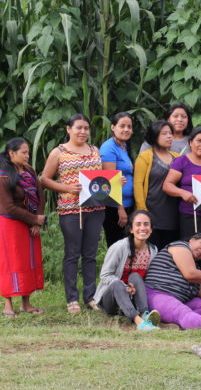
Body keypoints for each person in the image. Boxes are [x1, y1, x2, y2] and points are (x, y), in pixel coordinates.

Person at [40, 114, 107, 313]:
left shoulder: (94, 150)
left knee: (90, 254)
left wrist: (113, 183)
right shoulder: (59, 152)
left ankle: (90, 296)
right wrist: (66, 188)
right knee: (72, 254)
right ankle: (71, 298)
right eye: (78, 127)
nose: (83, 132)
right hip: (70, 209)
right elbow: (45, 179)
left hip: (95, 209)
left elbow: (100, 179)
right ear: (68, 129)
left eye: (86, 128)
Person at [143, 232, 201, 330]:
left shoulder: (195, 264)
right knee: (182, 312)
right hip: (157, 294)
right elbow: (190, 274)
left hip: (180, 300)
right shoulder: (180, 246)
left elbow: (199, 282)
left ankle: (169, 323)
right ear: (192, 240)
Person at [0, 138, 46, 318]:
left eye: (28, 152)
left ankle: (26, 304)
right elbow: (8, 207)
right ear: (12, 153)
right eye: (24, 152)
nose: (27, 156)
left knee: (29, 261)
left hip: (31, 222)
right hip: (10, 224)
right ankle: (8, 305)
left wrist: (36, 221)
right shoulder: (3, 175)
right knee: (10, 263)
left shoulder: (29, 171)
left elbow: (40, 196)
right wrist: (34, 219)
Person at [94, 211, 160, 331]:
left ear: (151, 229)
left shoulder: (153, 250)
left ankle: (144, 314)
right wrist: (125, 287)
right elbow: (105, 275)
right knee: (117, 283)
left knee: (135, 276)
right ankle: (139, 321)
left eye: (146, 224)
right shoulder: (119, 247)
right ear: (131, 229)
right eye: (138, 224)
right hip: (112, 300)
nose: (142, 228)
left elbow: (150, 278)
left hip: (133, 298)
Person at [163, 127, 201, 239]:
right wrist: (182, 193)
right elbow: (167, 185)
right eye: (199, 140)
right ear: (190, 143)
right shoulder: (181, 161)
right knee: (194, 248)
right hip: (191, 215)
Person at [134, 120, 180, 249]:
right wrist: (142, 211)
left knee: (170, 251)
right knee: (152, 251)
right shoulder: (145, 156)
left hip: (173, 213)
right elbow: (138, 184)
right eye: (164, 133)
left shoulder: (177, 158)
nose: (169, 136)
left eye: (170, 133)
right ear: (154, 136)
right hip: (151, 212)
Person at [100, 112, 135, 246]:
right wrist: (120, 209)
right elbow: (110, 181)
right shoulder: (109, 147)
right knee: (117, 246)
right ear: (113, 127)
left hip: (128, 204)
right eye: (122, 126)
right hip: (115, 207)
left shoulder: (125, 146)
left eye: (129, 126)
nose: (126, 129)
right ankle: (114, 268)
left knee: (127, 245)